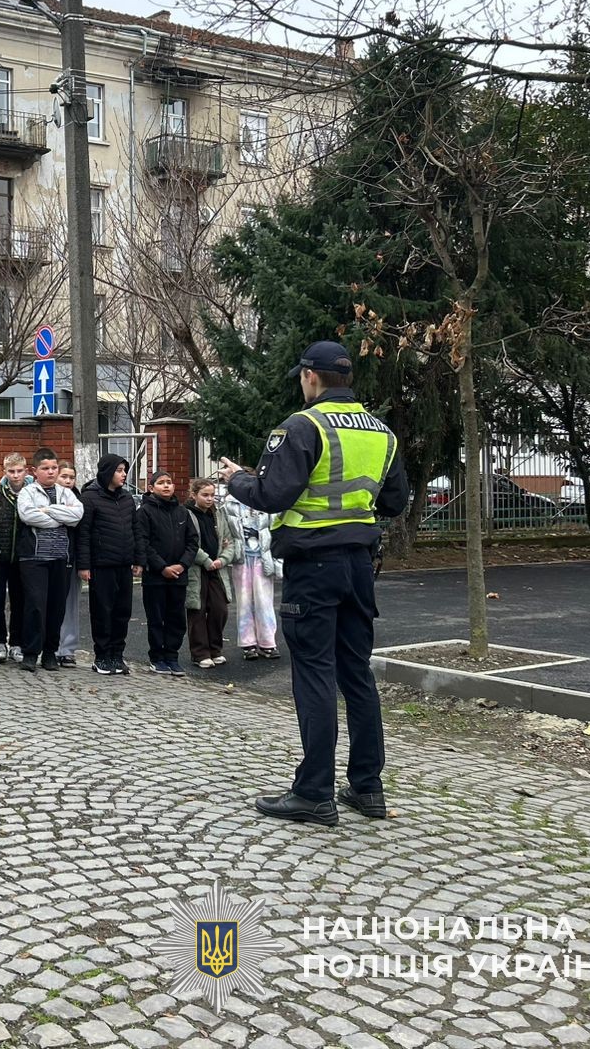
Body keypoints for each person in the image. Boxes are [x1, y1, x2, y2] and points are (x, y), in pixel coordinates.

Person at [220, 340, 407, 827]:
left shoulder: (301, 426)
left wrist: (237, 478)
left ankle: (314, 792)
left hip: (313, 566)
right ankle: (368, 788)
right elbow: (394, 502)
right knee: (356, 675)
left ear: (309, 377)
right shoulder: (382, 433)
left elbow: (269, 494)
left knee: (315, 675)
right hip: (359, 566)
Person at [15, 449, 84, 673]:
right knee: (35, 604)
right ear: (35, 471)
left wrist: (49, 510)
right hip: (33, 558)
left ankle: (50, 652)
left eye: (54, 467)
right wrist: (59, 518)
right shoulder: (27, 492)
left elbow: (77, 516)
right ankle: (30, 652)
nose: (51, 472)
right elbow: (28, 516)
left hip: (60, 558)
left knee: (57, 606)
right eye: (46, 468)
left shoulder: (67, 492)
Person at [77, 453, 144, 676]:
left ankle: (117, 654)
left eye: (124, 470)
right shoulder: (90, 497)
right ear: (107, 472)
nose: (124, 474)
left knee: (122, 612)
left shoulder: (126, 498)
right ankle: (102, 656)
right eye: (119, 470)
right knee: (102, 612)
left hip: (123, 565)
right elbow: (84, 533)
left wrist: (138, 559)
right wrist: (84, 565)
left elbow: (136, 530)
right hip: (101, 565)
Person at [136, 469, 197, 677]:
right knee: (157, 618)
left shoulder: (182, 512)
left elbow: (192, 542)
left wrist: (182, 565)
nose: (166, 486)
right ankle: (157, 657)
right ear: (151, 488)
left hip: (179, 576)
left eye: (169, 482)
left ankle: (172, 656)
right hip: (156, 577)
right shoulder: (145, 511)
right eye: (161, 483)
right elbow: (143, 542)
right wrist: (162, 567)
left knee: (176, 618)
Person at [185, 478, 243, 670]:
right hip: (196, 569)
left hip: (216, 569)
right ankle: (200, 653)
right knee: (197, 610)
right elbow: (188, 543)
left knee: (220, 609)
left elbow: (229, 541)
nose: (210, 499)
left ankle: (215, 649)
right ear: (194, 495)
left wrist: (222, 560)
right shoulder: (187, 514)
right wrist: (206, 561)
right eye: (205, 495)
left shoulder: (217, 515)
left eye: (212, 495)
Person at [221, 490, 280, 660]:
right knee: (244, 600)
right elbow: (225, 529)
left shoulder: (266, 503)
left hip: (262, 557)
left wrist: (278, 559)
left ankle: (268, 643)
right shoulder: (230, 504)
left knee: (264, 600)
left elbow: (275, 529)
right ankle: (248, 644)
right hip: (241, 557)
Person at [0, 452, 30, 663]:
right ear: (4, 472)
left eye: (19, 471)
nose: (15, 476)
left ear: (26, 471)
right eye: (11, 472)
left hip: (22, 557)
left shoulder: (32, 494)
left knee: (19, 600)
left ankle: (16, 642)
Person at [55, 461, 82, 668]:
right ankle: (50, 645)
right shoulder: (44, 495)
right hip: (49, 558)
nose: (67, 481)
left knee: (70, 605)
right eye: (64, 476)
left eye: (71, 477)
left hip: (72, 558)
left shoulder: (79, 500)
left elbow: (76, 522)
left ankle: (67, 649)